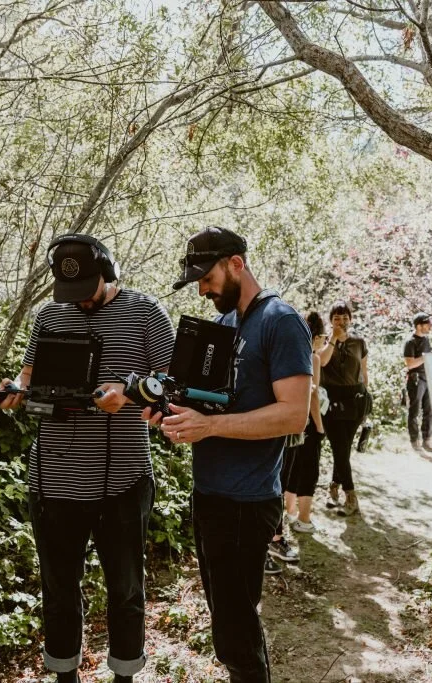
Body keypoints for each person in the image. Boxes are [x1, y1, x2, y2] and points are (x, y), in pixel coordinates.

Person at [0, 234, 175, 683]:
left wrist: (127, 398)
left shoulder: (146, 312)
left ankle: (125, 675)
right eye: (71, 292)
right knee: (58, 591)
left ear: (109, 273)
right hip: (53, 479)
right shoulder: (50, 314)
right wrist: (14, 389)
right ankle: (64, 676)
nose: (81, 302)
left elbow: (173, 383)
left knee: (125, 589)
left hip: (123, 480)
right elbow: (28, 373)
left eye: (88, 290)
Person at [155, 226, 312, 683]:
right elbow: (207, 403)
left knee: (237, 632)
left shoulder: (281, 320)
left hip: (247, 502)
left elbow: (293, 416)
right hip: (209, 494)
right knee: (227, 624)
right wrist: (168, 413)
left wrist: (209, 426)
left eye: (206, 278)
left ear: (236, 264)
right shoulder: (222, 327)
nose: (202, 289)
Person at [319, 301, 369, 516]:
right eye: (337, 318)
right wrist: (333, 339)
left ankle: (333, 487)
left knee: (344, 449)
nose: (341, 321)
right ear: (330, 321)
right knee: (339, 448)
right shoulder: (323, 341)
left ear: (351, 318)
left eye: (345, 317)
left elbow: (364, 372)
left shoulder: (359, 342)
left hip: (357, 400)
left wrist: (367, 400)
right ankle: (351, 496)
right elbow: (320, 362)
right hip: (332, 402)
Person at [283, 311, 328, 533]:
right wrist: (319, 426)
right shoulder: (313, 357)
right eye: (324, 337)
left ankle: (290, 514)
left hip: (289, 422)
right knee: (309, 471)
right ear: (317, 336)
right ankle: (304, 519)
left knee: (291, 470)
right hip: (307, 421)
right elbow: (313, 395)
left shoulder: (291, 353)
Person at [404, 312, 432, 453]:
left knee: (429, 411)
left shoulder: (426, 340)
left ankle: (427, 440)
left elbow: (428, 357)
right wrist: (427, 357)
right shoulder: (410, 342)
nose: (430, 326)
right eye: (427, 324)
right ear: (418, 326)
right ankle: (414, 441)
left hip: (428, 378)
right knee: (414, 411)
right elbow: (410, 364)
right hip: (415, 380)